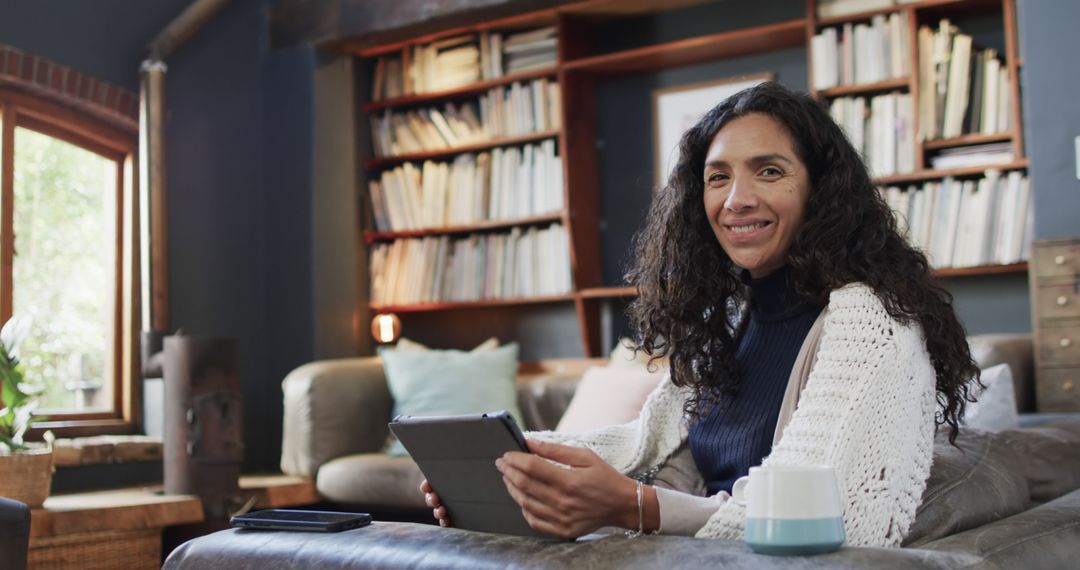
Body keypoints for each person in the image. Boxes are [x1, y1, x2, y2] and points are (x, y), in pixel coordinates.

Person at [421, 81, 979, 547]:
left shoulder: (872, 321)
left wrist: (635, 507)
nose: (736, 199)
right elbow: (650, 448)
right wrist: (509, 471)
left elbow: (845, 526)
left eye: (769, 171)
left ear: (821, 191)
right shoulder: (729, 319)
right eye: (718, 177)